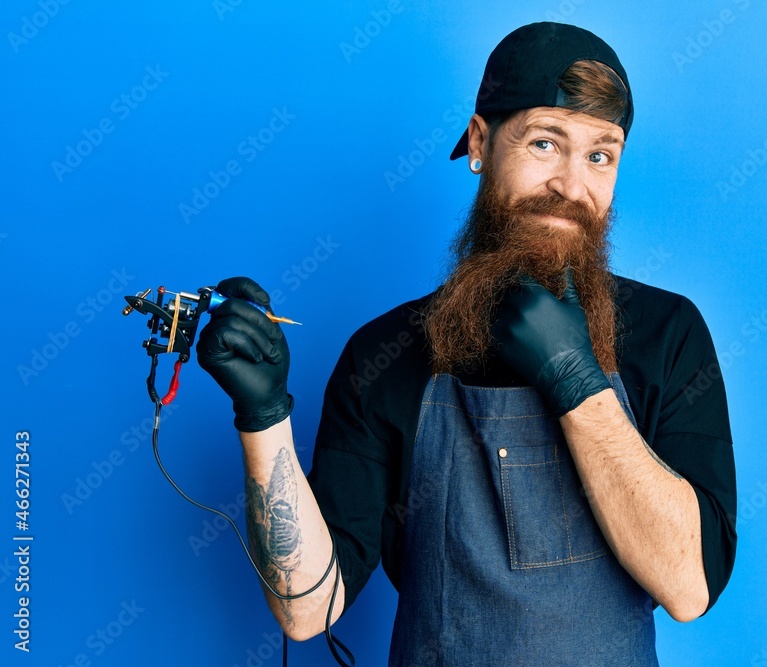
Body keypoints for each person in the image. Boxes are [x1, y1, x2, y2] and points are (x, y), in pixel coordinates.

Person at [197, 21, 737, 666]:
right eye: (545, 142)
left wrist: (576, 379)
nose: (572, 184)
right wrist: (263, 419)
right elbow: (307, 609)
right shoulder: (385, 354)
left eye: (601, 155)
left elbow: (688, 586)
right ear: (481, 141)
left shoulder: (667, 333)